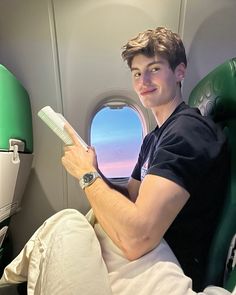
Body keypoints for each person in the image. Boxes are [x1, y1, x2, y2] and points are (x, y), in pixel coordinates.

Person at [0, 27, 229, 294]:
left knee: (68, 225)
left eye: (154, 69)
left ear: (179, 71)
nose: (143, 80)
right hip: (144, 247)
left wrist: (87, 176)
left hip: (166, 258)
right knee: (67, 226)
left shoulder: (188, 131)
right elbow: (131, 196)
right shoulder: (153, 139)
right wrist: (95, 169)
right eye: (136, 73)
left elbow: (137, 238)